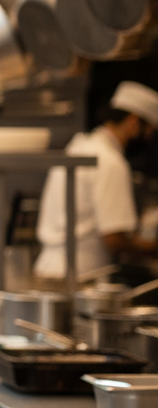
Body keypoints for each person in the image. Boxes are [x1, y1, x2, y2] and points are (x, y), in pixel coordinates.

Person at [35, 81, 158, 278]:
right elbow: (114, 239)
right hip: (81, 276)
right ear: (134, 122)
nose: (150, 139)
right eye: (150, 131)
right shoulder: (110, 161)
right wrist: (152, 249)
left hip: (46, 269)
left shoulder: (77, 147)